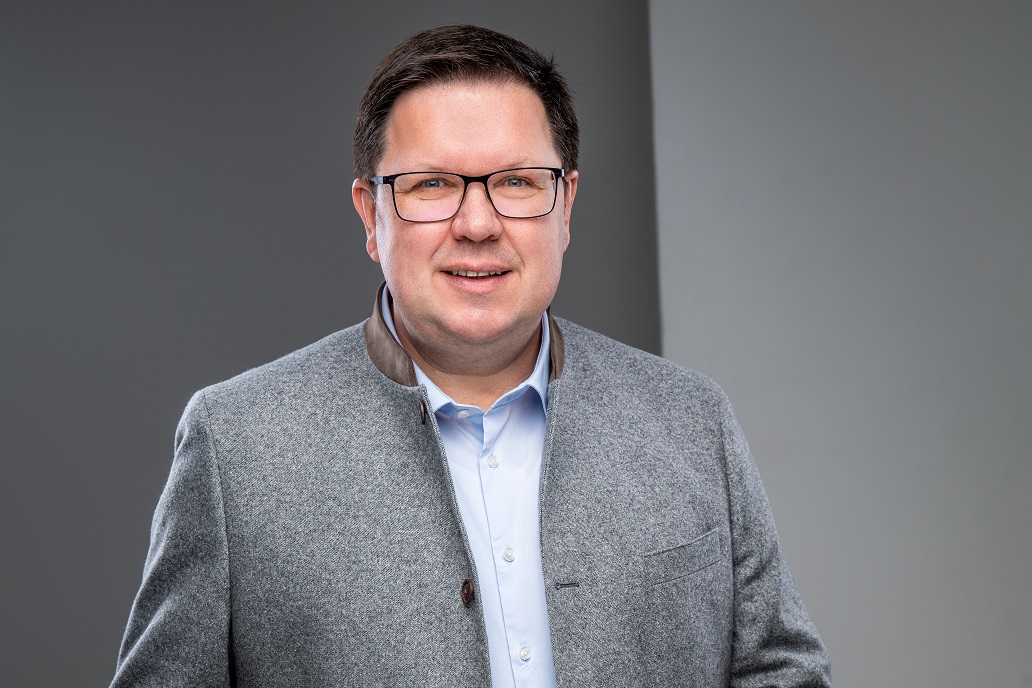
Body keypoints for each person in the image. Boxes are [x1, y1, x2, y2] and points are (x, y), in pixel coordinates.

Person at [111, 24, 832, 688]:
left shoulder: (691, 419)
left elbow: (781, 672)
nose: (479, 224)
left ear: (565, 205)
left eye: (516, 181)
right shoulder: (237, 446)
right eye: (433, 185)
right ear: (370, 213)